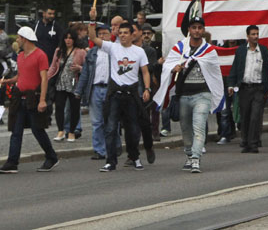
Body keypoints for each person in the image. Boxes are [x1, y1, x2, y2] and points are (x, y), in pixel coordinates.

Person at [155, 17, 226, 172]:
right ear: (189, 30)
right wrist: (175, 68)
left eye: (200, 27)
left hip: (202, 94)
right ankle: (189, 154)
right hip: (184, 95)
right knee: (186, 128)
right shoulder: (180, 48)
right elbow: (167, 66)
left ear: (203, 30)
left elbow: (215, 73)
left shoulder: (209, 51)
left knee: (199, 126)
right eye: (194, 27)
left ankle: (195, 158)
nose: (197, 31)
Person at [87, 9, 151, 172]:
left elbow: (145, 72)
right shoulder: (112, 47)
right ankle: (110, 161)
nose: (121, 35)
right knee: (110, 127)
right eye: (120, 32)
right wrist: (92, 21)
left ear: (131, 35)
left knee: (133, 129)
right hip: (115, 94)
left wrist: (147, 89)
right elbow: (93, 37)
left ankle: (135, 157)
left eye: (125, 32)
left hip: (131, 94)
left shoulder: (139, 52)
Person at [0, 27, 59, 174]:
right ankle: (12, 162)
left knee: (38, 130)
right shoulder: (21, 56)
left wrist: (42, 100)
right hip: (19, 99)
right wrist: (8, 81)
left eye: (18, 37)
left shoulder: (40, 55)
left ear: (25, 38)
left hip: (33, 98)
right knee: (16, 132)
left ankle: (51, 156)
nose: (16, 40)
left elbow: (44, 79)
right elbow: (21, 77)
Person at [74, 24, 116, 160]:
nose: (102, 36)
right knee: (97, 121)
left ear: (110, 35)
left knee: (111, 120)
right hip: (95, 88)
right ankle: (99, 150)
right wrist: (79, 90)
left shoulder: (115, 50)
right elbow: (85, 72)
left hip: (111, 89)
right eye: (100, 34)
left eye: (105, 33)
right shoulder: (92, 52)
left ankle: (112, 148)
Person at [227, 25, 268, 153]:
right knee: (245, 116)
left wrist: (267, 89)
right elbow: (235, 68)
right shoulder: (241, 51)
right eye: (253, 34)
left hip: (258, 88)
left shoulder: (263, 50)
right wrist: (231, 84)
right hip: (244, 88)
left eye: (257, 34)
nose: (255, 36)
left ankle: (254, 142)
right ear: (247, 36)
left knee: (255, 116)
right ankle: (245, 141)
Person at [47, 30, 85, 143]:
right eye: (66, 38)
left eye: (70, 38)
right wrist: (47, 79)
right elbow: (53, 66)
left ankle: (72, 131)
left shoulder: (80, 52)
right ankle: (60, 130)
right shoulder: (59, 51)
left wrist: (79, 68)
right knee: (59, 107)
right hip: (61, 82)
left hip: (74, 82)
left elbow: (87, 67)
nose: (68, 40)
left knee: (74, 108)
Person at [130, 22, 158, 165]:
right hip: (129, 89)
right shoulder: (125, 49)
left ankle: (148, 146)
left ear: (140, 32)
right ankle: (132, 154)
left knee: (144, 122)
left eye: (134, 31)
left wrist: (147, 88)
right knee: (130, 123)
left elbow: (151, 67)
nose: (132, 33)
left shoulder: (148, 50)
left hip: (143, 88)